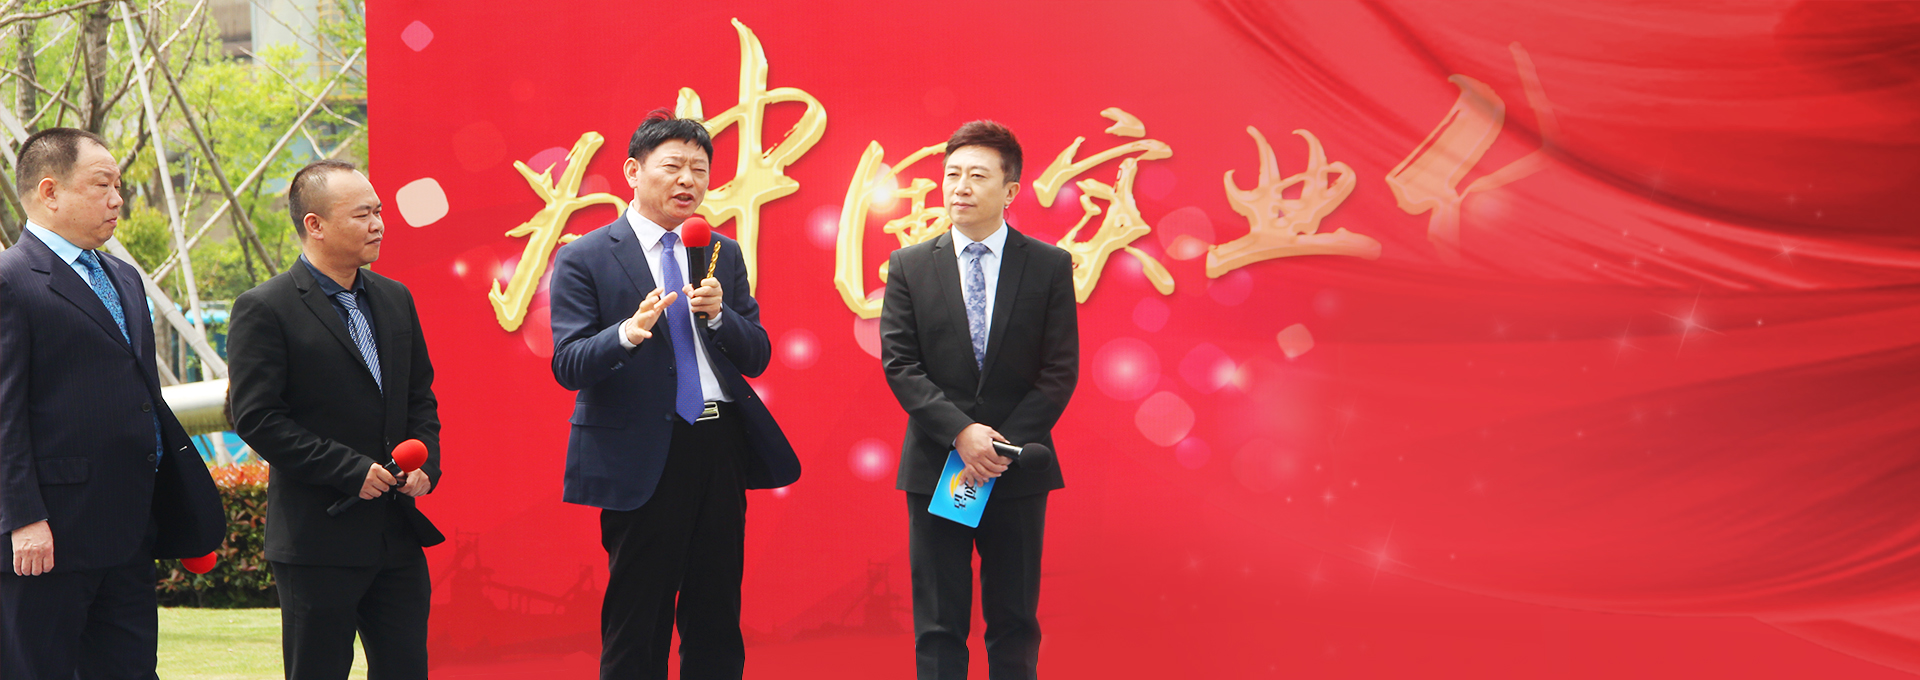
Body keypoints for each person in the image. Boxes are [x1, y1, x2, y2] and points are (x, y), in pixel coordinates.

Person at [549, 109, 800, 680]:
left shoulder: (719, 252)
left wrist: (722, 317)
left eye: (699, 169)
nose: (688, 180)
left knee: (716, 611)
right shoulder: (586, 255)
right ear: (633, 172)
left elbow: (757, 354)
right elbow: (568, 363)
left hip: (718, 443)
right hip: (642, 452)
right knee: (639, 618)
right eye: (673, 166)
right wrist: (627, 332)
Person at [0, 127, 225, 679]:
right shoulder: (11, 281)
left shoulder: (123, 276)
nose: (117, 198)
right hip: (49, 535)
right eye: (102, 184)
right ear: (49, 192)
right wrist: (23, 518)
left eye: (118, 185)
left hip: (128, 528)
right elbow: (4, 414)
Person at [227, 160, 444, 680]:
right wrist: (349, 470)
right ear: (315, 225)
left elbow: (419, 397)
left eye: (379, 212)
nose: (378, 225)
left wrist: (425, 464)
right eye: (362, 214)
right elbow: (257, 418)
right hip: (316, 540)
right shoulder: (265, 307)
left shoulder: (394, 297)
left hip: (396, 534)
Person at [880, 120, 1079, 680]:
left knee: (1014, 622)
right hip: (939, 467)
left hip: (1015, 469)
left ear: (1010, 190)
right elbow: (901, 364)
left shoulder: (1048, 265)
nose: (960, 187)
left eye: (977, 176)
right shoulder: (910, 265)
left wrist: (998, 447)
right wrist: (962, 434)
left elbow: (1059, 369)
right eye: (952, 174)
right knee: (939, 624)